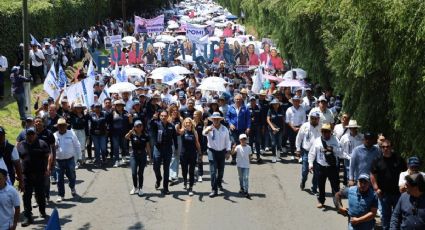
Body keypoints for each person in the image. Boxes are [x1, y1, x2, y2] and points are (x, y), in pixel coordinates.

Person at [17, 127, 50, 226]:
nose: (30, 136)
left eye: (32, 134)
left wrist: (48, 168)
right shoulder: (21, 145)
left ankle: (42, 210)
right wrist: (18, 174)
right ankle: (28, 216)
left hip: (39, 174)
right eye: (29, 134)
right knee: (26, 196)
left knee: (40, 195)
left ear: (35, 134)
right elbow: (17, 160)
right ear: (26, 134)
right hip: (26, 175)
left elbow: (48, 156)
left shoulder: (42, 144)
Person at [370, 139, 407, 230]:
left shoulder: (399, 159)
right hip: (384, 193)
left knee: (398, 214)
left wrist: (405, 186)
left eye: (388, 146)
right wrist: (376, 188)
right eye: (383, 147)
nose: (386, 148)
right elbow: (372, 175)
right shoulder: (377, 160)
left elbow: (406, 173)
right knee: (386, 215)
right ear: (381, 148)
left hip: (398, 193)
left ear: (391, 147)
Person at [308, 123, 343, 208]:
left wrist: (333, 149)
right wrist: (310, 164)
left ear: (330, 132)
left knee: (335, 186)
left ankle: (338, 204)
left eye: (327, 131)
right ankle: (321, 201)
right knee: (321, 185)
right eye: (323, 131)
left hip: (332, 167)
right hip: (321, 166)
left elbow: (341, 152)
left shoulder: (335, 140)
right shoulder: (317, 141)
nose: (324, 133)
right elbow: (312, 153)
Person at [203, 112, 231, 198]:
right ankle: (214, 189)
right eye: (214, 119)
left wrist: (228, 151)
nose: (215, 120)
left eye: (217, 119)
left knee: (221, 171)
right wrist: (207, 130)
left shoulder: (224, 129)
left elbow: (227, 141)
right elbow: (203, 133)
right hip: (212, 151)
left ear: (219, 120)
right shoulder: (209, 128)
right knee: (213, 171)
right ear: (212, 120)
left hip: (222, 152)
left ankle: (219, 183)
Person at [150, 110, 178, 195]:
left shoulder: (171, 126)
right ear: (159, 116)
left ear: (167, 116)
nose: (163, 117)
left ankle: (165, 187)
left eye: (165, 116)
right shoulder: (156, 124)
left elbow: (175, 138)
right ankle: (158, 178)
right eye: (161, 116)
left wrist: (176, 148)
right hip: (158, 149)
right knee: (156, 166)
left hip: (167, 149)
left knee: (166, 169)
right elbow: (150, 126)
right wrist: (152, 119)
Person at [53, 118, 81, 202]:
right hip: (58, 160)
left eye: (63, 125)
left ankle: (72, 187)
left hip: (70, 159)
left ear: (66, 126)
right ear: (57, 127)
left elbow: (77, 145)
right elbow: (51, 148)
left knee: (72, 176)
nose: (61, 127)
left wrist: (79, 157)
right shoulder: (54, 135)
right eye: (60, 126)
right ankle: (60, 194)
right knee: (59, 179)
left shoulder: (71, 134)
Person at [296, 112, 321, 191]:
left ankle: (314, 187)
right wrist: (298, 149)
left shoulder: (321, 127)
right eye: (312, 118)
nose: (313, 120)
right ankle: (303, 181)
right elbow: (299, 138)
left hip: (318, 153)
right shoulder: (305, 126)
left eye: (315, 118)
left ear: (318, 119)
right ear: (309, 118)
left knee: (317, 172)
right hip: (306, 152)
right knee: (304, 170)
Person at [125, 120, 151, 196]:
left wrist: (150, 156)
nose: (139, 127)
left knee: (140, 173)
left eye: (140, 126)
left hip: (142, 155)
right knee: (134, 173)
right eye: (137, 126)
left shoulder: (145, 135)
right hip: (134, 155)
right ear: (134, 127)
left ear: (142, 127)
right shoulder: (132, 134)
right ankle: (135, 187)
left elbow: (148, 147)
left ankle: (140, 188)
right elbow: (126, 137)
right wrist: (130, 131)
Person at [178, 118, 201, 196]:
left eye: (189, 122)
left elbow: (197, 143)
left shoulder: (194, 132)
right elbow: (178, 131)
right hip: (183, 154)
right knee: (184, 171)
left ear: (191, 123)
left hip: (192, 154)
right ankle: (185, 181)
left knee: (191, 171)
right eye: (186, 122)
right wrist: (180, 127)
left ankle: (190, 187)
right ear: (184, 123)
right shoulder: (183, 131)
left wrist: (200, 153)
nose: (188, 124)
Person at [226, 94, 251, 165]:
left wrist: (248, 127)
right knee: (233, 143)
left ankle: (240, 158)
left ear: (242, 100)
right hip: (233, 129)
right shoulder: (231, 107)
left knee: (241, 143)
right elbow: (227, 117)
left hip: (242, 129)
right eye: (236, 99)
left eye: (239, 99)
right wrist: (230, 124)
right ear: (234, 100)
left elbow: (248, 119)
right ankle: (233, 158)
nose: (238, 100)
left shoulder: (245, 108)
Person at [339, 120, 364, 186]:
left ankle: (357, 190)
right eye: (351, 128)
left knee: (358, 176)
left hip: (359, 159)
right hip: (348, 159)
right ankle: (351, 191)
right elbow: (340, 148)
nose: (352, 129)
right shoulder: (344, 137)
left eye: (354, 128)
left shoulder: (362, 137)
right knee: (349, 176)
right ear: (349, 128)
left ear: (356, 128)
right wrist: (345, 156)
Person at [285, 95, 306, 161]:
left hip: (300, 127)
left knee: (300, 141)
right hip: (291, 127)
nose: (296, 102)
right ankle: (292, 154)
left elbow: (304, 120)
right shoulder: (289, 109)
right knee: (292, 141)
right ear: (292, 102)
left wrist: (300, 128)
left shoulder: (302, 109)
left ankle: (300, 155)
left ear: (299, 101)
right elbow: (287, 120)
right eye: (294, 101)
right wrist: (293, 128)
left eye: (297, 101)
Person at [232, 134, 252, 199]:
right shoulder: (238, 147)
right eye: (242, 139)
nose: (243, 140)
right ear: (239, 140)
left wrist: (250, 160)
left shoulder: (249, 147)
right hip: (239, 165)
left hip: (246, 165)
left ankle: (246, 191)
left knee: (246, 177)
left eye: (244, 139)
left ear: (246, 140)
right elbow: (232, 153)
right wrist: (233, 148)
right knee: (240, 177)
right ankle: (242, 188)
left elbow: (250, 156)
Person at [267, 99, 285, 163]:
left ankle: (278, 155)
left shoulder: (281, 110)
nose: (275, 105)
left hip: (280, 129)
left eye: (276, 104)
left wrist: (284, 129)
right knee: (273, 143)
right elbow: (268, 120)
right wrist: (273, 128)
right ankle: (274, 156)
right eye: (274, 104)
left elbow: (283, 120)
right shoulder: (270, 110)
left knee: (279, 142)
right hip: (272, 129)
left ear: (279, 104)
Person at [247, 96, 263, 163]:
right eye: (251, 100)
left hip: (257, 127)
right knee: (250, 142)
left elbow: (261, 118)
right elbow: (246, 118)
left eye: (253, 100)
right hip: (250, 128)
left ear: (255, 101)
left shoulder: (259, 108)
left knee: (257, 142)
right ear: (250, 101)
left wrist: (262, 127)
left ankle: (258, 157)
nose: (252, 102)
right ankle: (250, 156)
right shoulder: (247, 108)